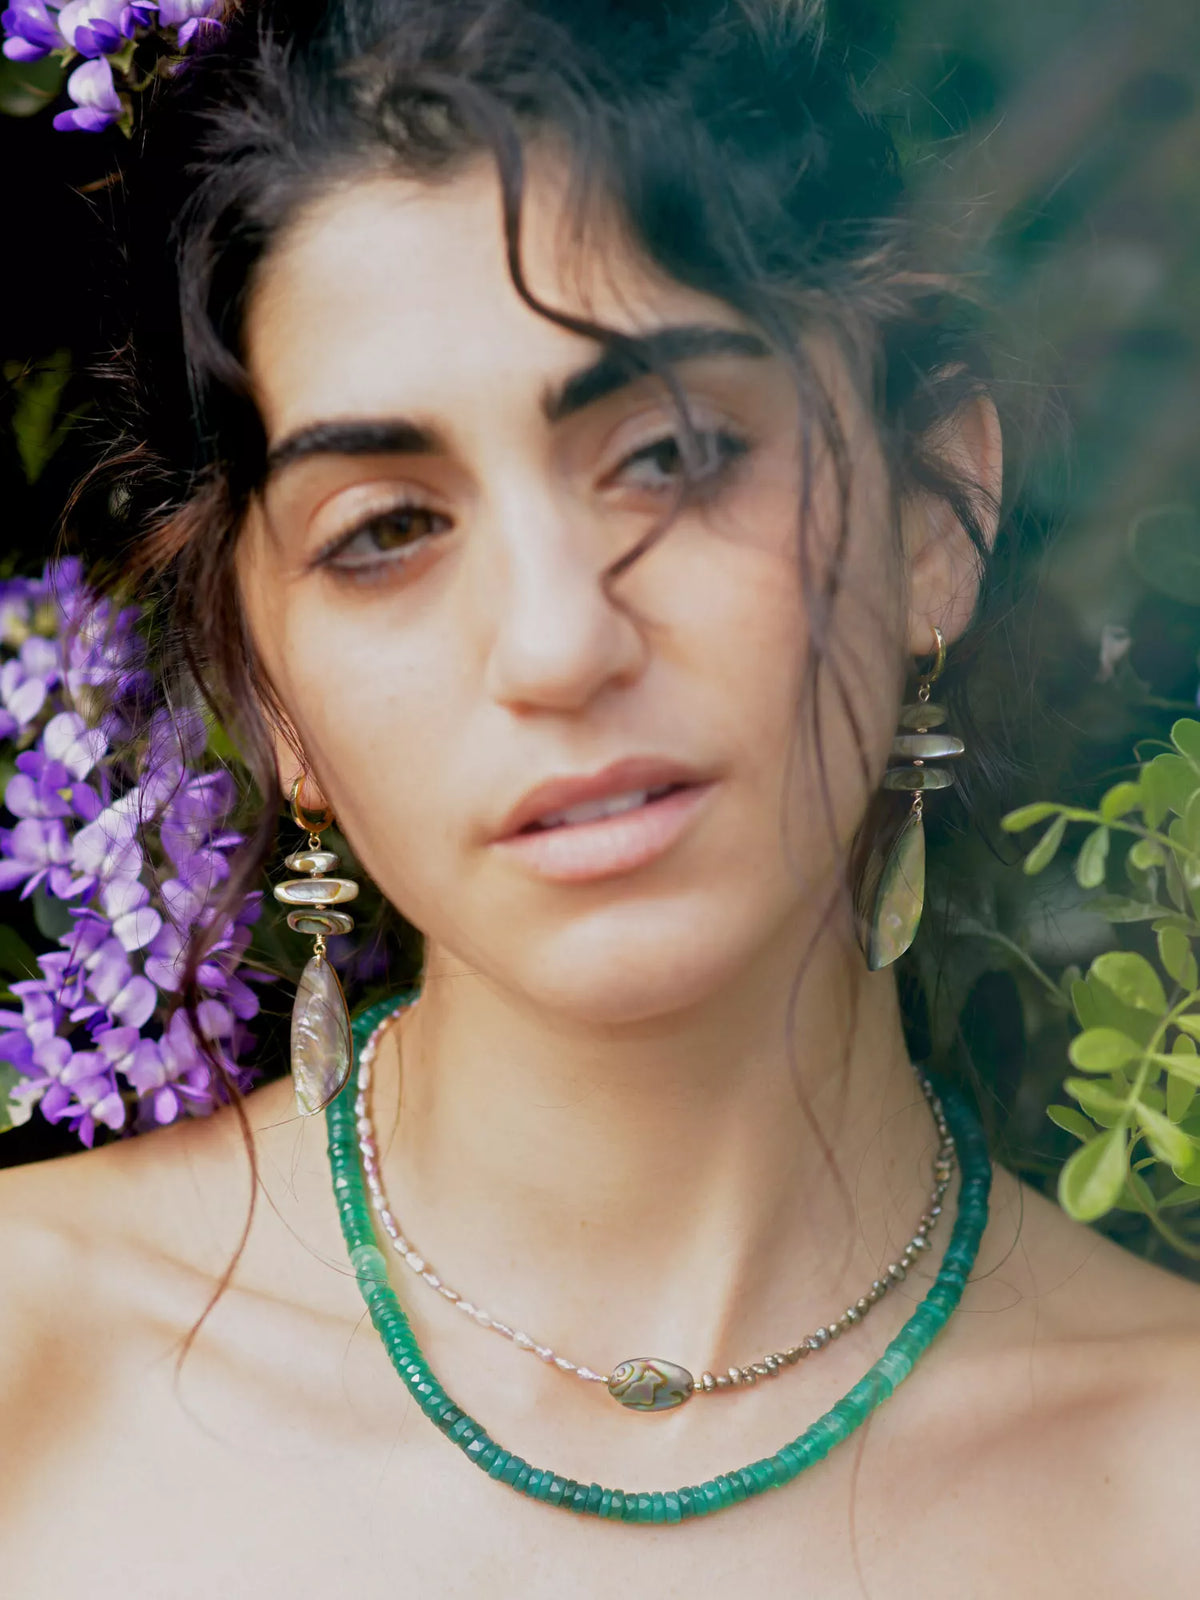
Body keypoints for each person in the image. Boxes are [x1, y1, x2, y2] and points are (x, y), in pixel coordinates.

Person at [2, 1, 1198, 1593]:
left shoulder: (1167, 1478)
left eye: (672, 454)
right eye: (385, 530)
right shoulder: (31, 1363)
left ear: (935, 518)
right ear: (268, 690)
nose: (558, 643)